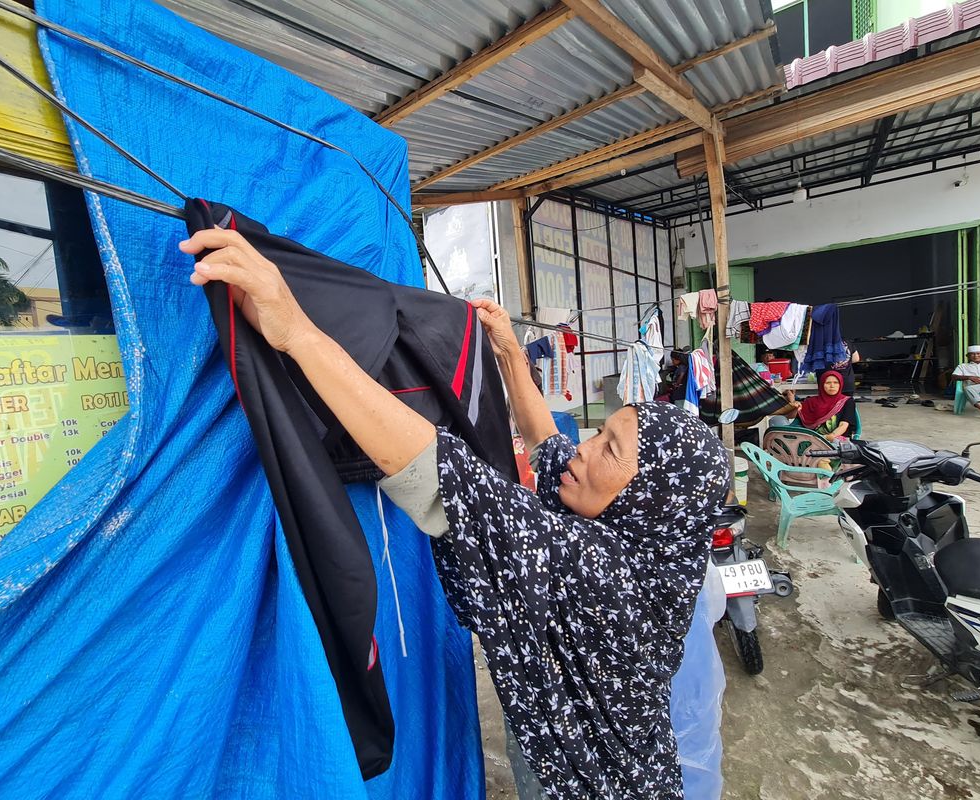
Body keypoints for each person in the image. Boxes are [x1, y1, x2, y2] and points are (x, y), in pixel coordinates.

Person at [181, 228, 731, 799]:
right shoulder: (655, 543)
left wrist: (294, 329)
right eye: (604, 431)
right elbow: (552, 451)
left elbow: (441, 476)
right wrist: (512, 355)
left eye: (611, 450)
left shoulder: (607, 576)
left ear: (651, 500)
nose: (586, 448)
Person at [776, 370, 858, 440]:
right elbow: (792, 417)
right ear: (822, 385)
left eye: (836, 383)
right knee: (777, 420)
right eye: (828, 383)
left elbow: (844, 425)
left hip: (836, 439)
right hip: (811, 439)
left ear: (840, 385)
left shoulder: (847, 401)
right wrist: (793, 405)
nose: (832, 386)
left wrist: (830, 436)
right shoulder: (811, 402)